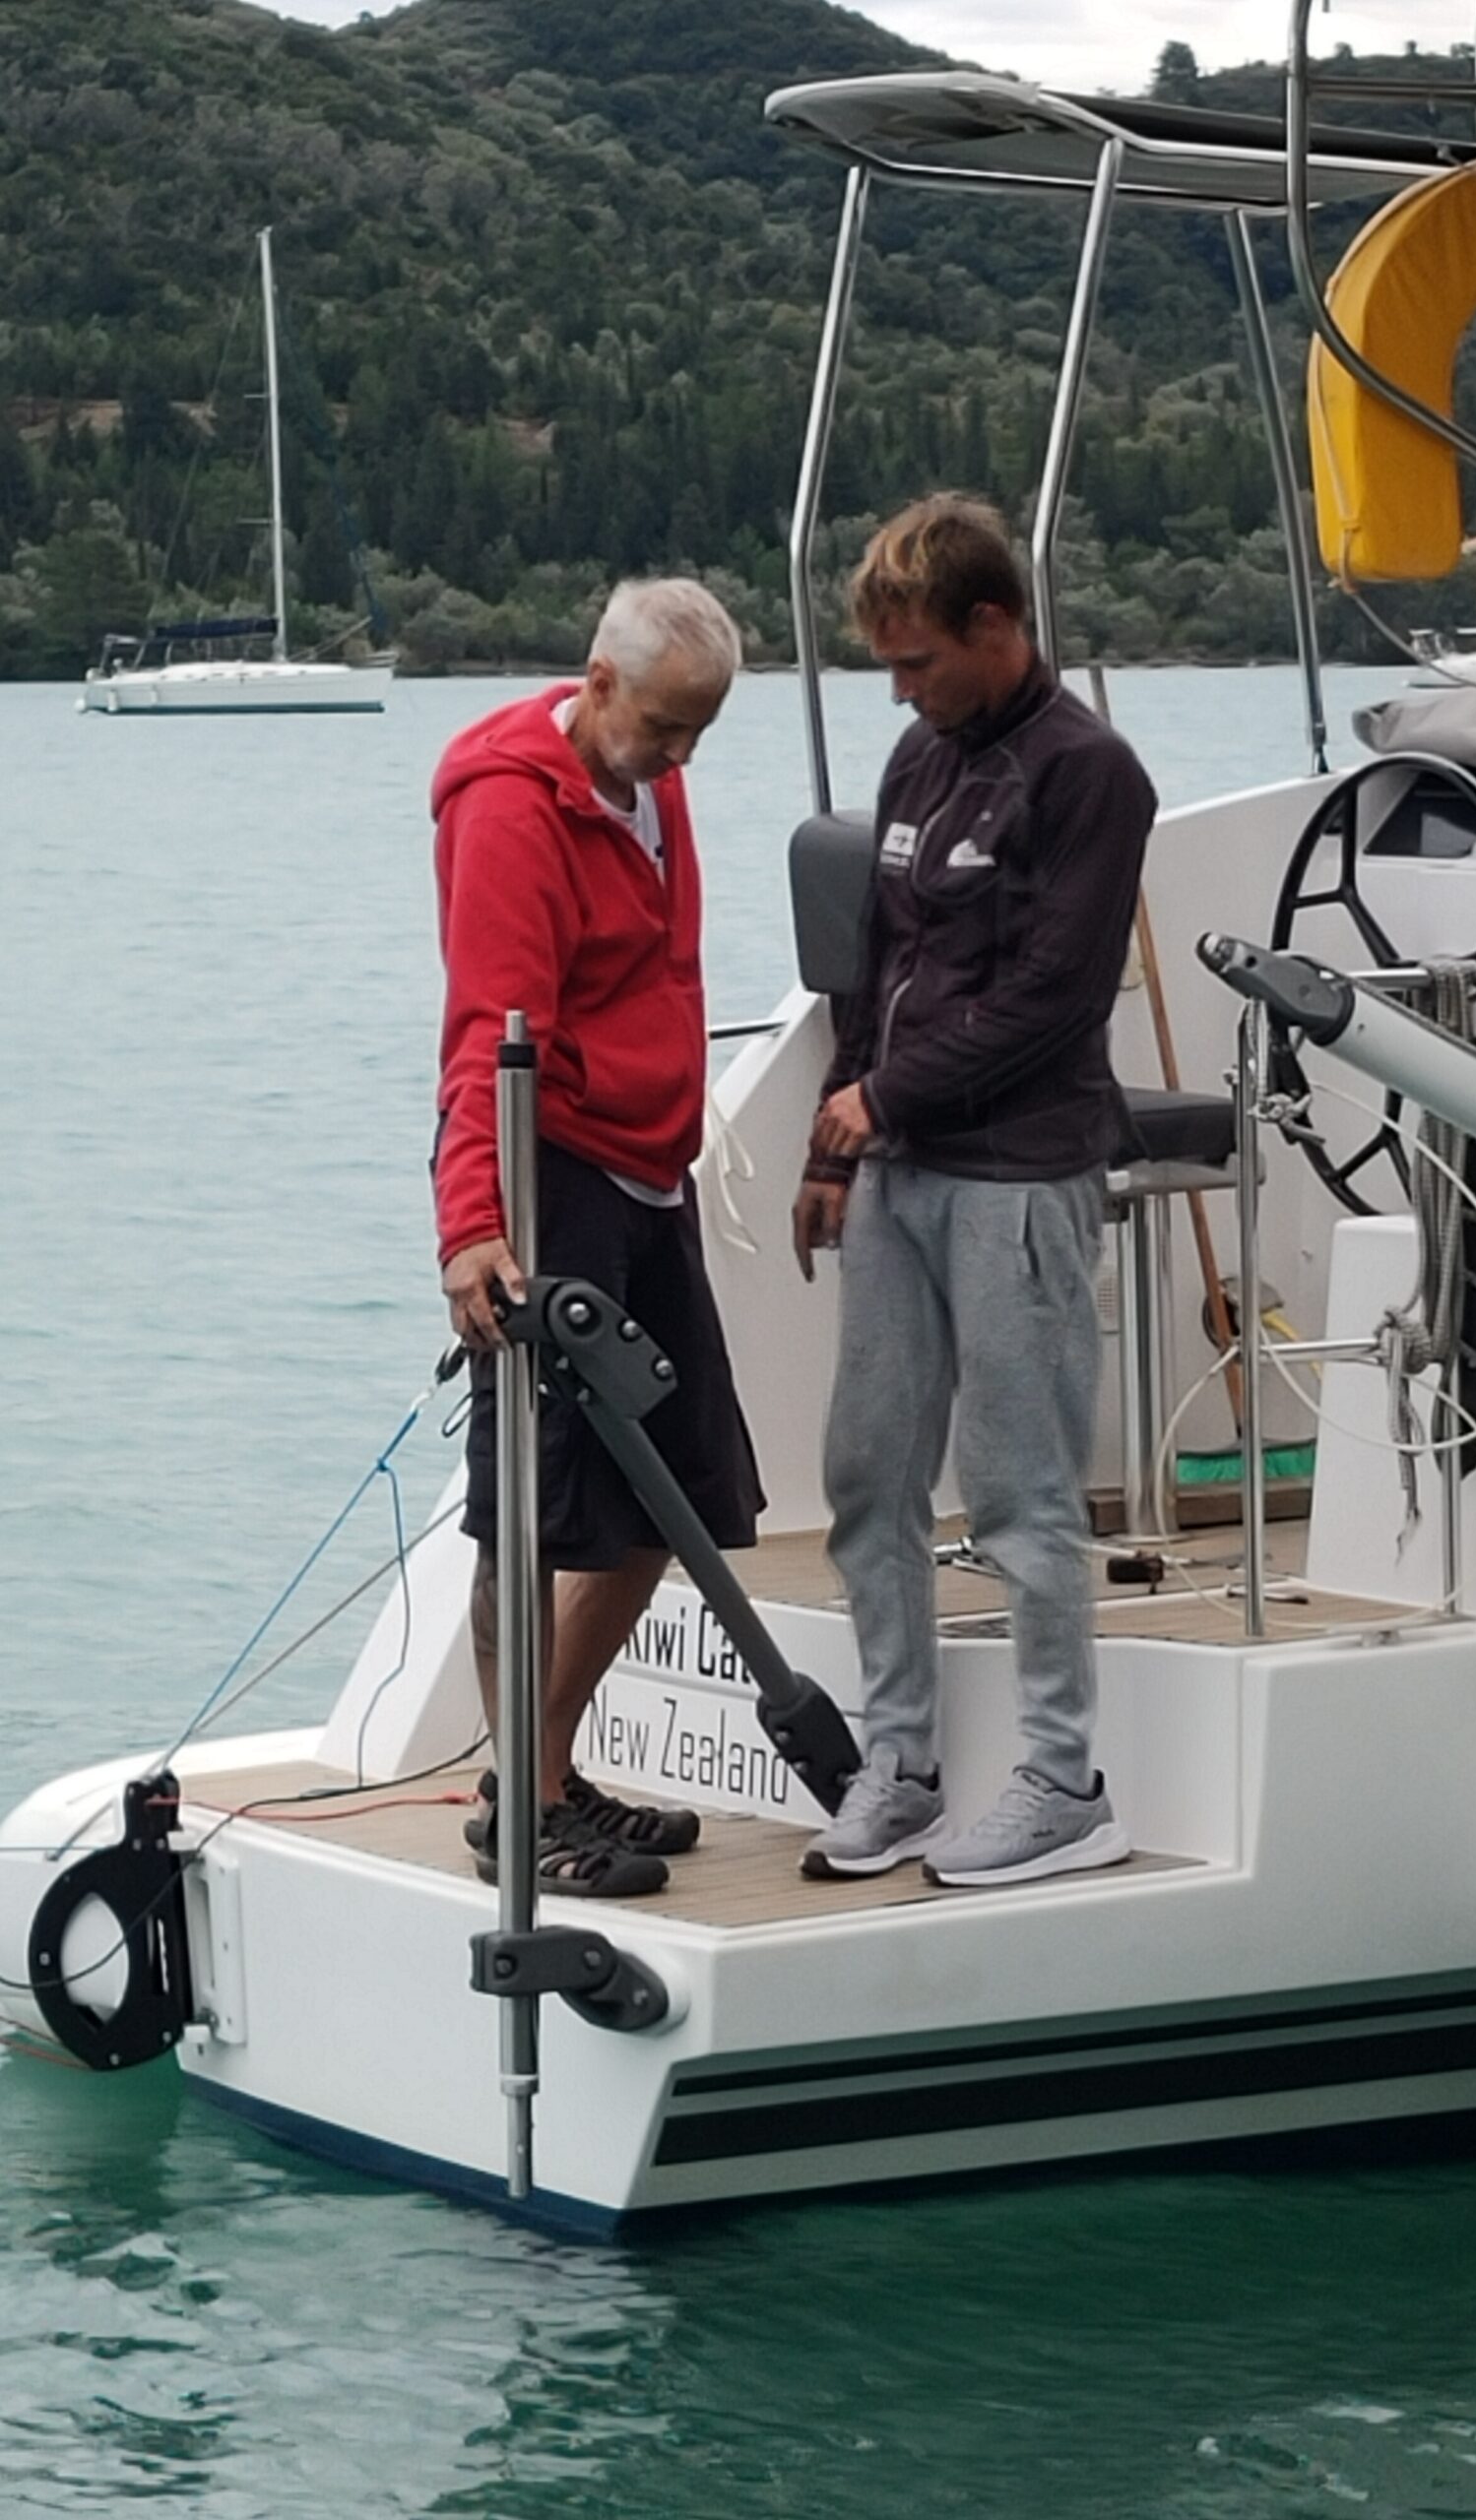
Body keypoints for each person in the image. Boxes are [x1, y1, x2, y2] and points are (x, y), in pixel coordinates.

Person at [793, 494, 1156, 1890]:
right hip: (898, 1174)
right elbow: (877, 975)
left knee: (1018, 1490)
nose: (902, 690)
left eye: (918, 662)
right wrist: (838, 1148)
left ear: (994, 625)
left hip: (1020, 1176)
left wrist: (883, 1100)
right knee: (869, 1474)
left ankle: (1064, 1784)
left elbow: (1056, 997)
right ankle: (900, 1767)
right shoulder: (919, 757)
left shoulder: (1092, 775)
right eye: (889, 666)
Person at [433, 577, 762, 1899]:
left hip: (649, 1173)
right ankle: (523, 1802)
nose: (679, 759)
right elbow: (486, 1029)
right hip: (550, 1174)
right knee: (531, 1509)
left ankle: (542, 1773)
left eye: (700, 733)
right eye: (665, 728)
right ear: (600, 681)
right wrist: (473, 1224)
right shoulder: (513, 807)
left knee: (684, 1491)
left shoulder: (651, 783)